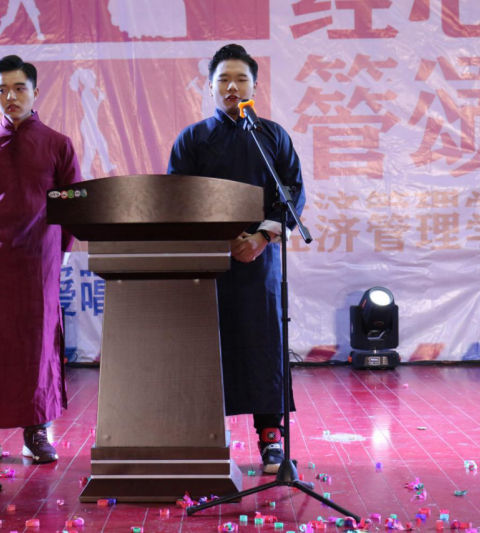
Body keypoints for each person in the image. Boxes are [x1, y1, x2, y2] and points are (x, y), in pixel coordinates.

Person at [167, 44, 306, 474]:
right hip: (208, 262)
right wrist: (224, 238)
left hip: (259, 262)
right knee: (209, 347)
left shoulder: (272, 136)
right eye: (223, 79)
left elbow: (292, 191)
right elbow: (178, 196)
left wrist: (262, 237)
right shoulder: (193, 139)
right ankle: (206, 435)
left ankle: (271, 438)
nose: (232, 87)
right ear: (209, 87)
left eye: (241, 79)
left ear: (255, 87)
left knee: (264, 343)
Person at [0, 55, 82, 465]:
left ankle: (36, 431)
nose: (10, 96)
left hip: (37, 260)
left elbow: (72, 203)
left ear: (35, 91)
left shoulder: (57, 143)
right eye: (2, 90)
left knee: (35, 344)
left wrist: (57, 252)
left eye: (19, 88)